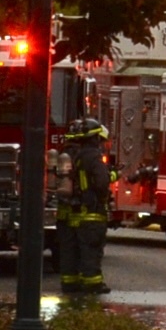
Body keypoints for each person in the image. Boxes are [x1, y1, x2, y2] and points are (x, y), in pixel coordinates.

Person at [58, 116, 111, 297]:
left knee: (71, 252)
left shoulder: (74, 155)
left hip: (73, 214)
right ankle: (92, 285)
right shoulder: (94, 157)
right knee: (91, 250)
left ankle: (69, 284)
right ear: (95, 138)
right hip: (91, 214)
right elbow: (101, 183)